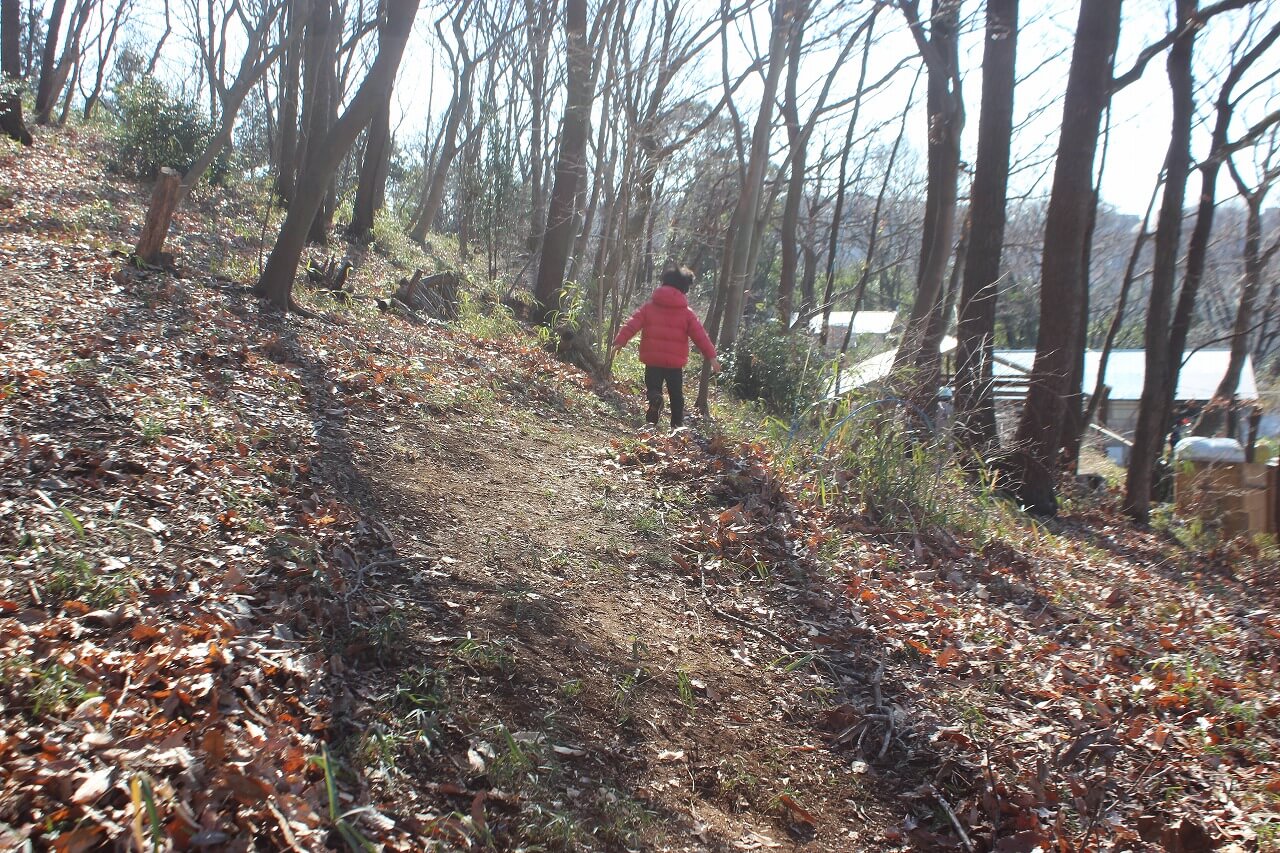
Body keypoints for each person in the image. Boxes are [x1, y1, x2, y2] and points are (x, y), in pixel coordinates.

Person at [611, 266, 720, 430]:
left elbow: (633, 324)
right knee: (676, 395)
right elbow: (700, 336)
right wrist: (711, 356)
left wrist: (620, 341)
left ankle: (655, 399)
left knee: (653, 387)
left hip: (653, 359)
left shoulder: (650, 307)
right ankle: (677, 426)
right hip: (674, 363)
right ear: (684, 288)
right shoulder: (687, 313)